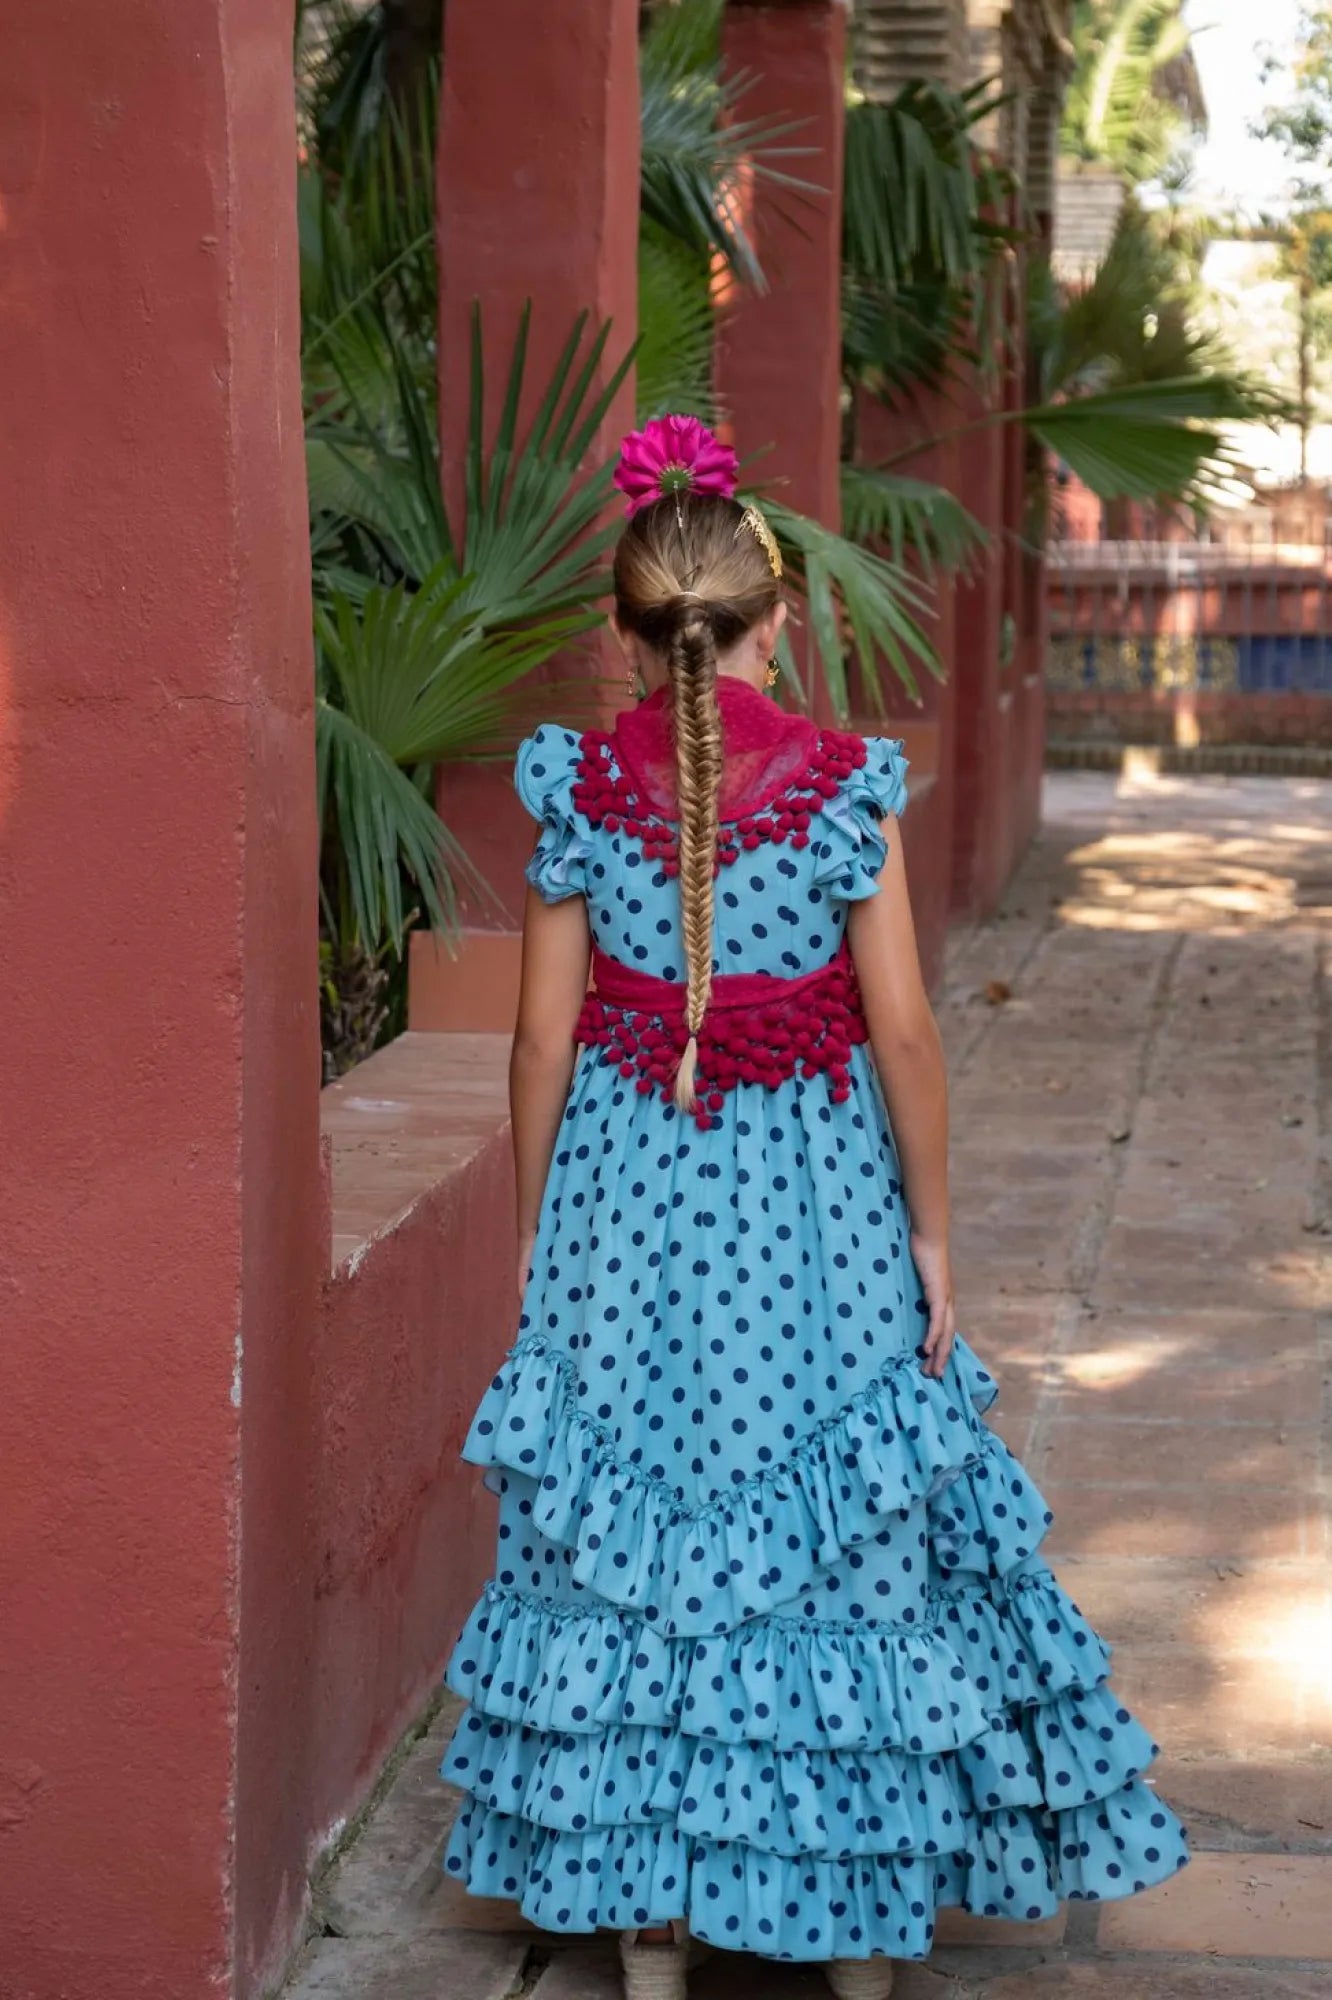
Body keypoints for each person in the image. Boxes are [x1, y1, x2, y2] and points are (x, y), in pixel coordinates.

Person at [440, 417, 1188, 1999]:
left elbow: (539, 1038)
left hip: (625, 1210)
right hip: (817, 1216)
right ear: (777, 620)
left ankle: (649, 1937)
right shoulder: (849, 784)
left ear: (631, 638)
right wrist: (931, 1231)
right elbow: (904, 1031)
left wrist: (531, 1235)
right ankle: (848, 1936)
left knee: (633, 1518)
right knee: (835, 1533)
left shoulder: (579, 781)